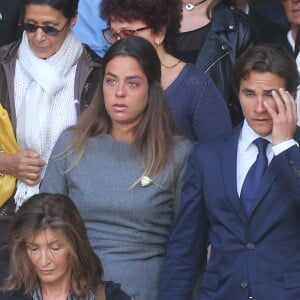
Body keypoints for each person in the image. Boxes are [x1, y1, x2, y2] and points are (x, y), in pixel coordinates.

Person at [40, 36, 192, 300]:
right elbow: (45, 227)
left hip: (146, 290)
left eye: (132, 83)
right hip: (76, 288)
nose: (119, 92)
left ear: (152, 89)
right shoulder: (71, 143)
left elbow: (187, 244)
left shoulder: (178, 153)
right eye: (111, 81)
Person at [158, 44, 300, 299]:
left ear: (291, 96)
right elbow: (186, 247)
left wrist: (286, 147)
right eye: (249, 94)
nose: (258, 107)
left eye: (270, 95)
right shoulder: (208, 155)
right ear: (237, 94)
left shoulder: (294, 153)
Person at [0, 0, 102, 260]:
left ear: (73, 21)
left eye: (50, 28)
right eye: (30, 26)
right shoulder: (3, 65)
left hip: (72, 217)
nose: (38, 36)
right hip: (8, 218)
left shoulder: (96, 73)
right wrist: (5, 161)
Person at [100, 0, 232, 141]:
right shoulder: (109, 79)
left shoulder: (196, 86)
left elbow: (219, 153)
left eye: (128, 33)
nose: (119, 43)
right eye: (113, 35)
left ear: (159, 33)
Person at [0, 193, 131, 300]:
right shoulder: (8, 293)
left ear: (75, 245)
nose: (43, 261)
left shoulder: (108, 296)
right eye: (34, 248)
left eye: (55, 248)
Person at [174, 0, 253, 126]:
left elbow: (249, 98)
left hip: (213, 136)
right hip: (152, 134)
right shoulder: (146, 16)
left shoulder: (238, 27)